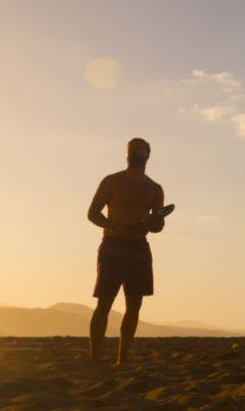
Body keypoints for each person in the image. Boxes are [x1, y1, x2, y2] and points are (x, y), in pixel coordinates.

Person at [87, 138, 166, 365]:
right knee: (104, 302)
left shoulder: (155, 188)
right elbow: (93, 213)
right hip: (113, 246)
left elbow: (159, 225)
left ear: (148, 154)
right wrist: (115, 226)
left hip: (139, 248)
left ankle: (123, 359)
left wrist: (153, 224)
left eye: (140, 147)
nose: (135, 150)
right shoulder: (112, 181)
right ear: (127, 154)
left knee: (134, 305)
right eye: (131, 147)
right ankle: (95, 359)